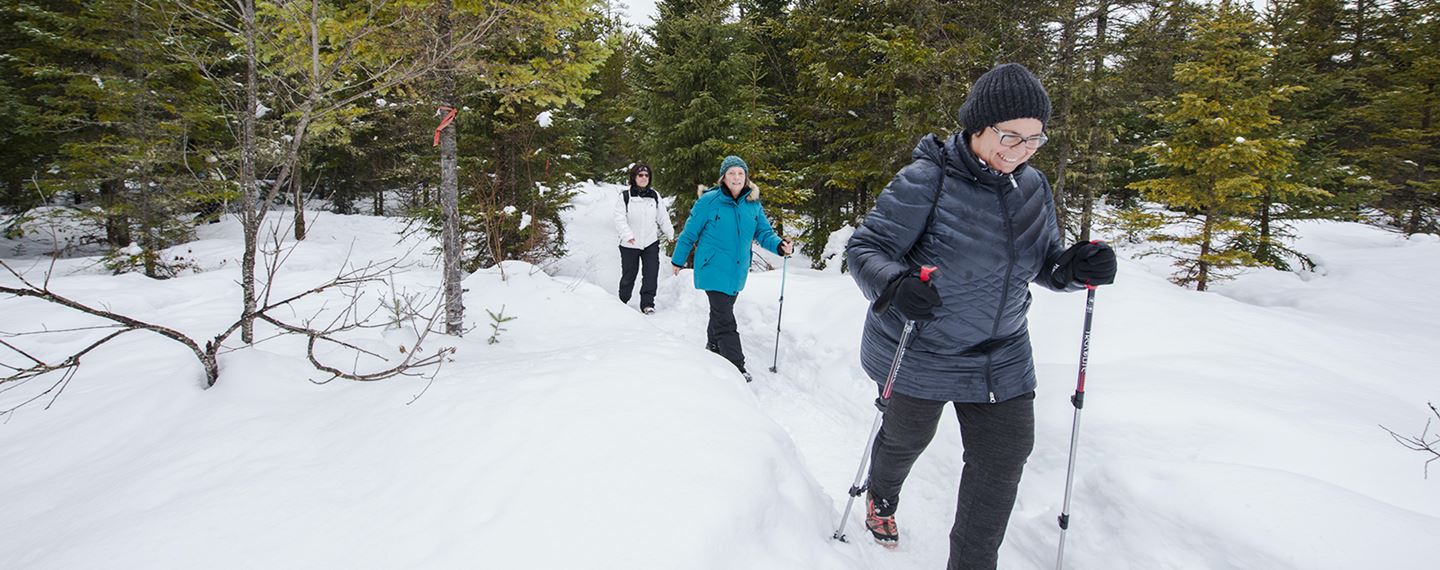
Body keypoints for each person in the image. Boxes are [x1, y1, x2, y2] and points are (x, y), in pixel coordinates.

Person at [845, 63, 1117, 569]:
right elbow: (866, 248)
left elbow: (1045, 265)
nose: (1019, 151)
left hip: (1002, 354)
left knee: (1005, 457)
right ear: (977, 126)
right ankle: (882, 495)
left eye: (1034, 140)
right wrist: (895, 284)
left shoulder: (1033, 187)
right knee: (907, 438)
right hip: (921, 347)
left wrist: (1076, 269)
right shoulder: (927, 180)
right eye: (1009, 136)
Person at [671, 155, 793, 382]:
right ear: (723, 178)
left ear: (746, 177)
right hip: (713, 267)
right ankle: (736, 365)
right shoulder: (709, 201)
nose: (736, 177)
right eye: (731, 173)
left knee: (720, 311)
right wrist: (678, 260)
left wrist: (779, 246)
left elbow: (763, 233)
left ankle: (713, 346)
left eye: (740, 173)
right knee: (725, 318)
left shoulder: (752, 203)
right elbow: (690, 233)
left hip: (737, 270)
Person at [614, 163, 675, 314]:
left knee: (651, 274)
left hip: (650, 242)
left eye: (646, 175)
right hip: (630, 244)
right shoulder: (625, 196)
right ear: (634, 177)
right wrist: (627, 235)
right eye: (640, 175)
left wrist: (670, 233)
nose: (644, 178)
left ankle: (647, 304)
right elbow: (619, 218)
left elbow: (662, 217)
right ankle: (622, 301)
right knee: (629, 275)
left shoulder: (654, 195)